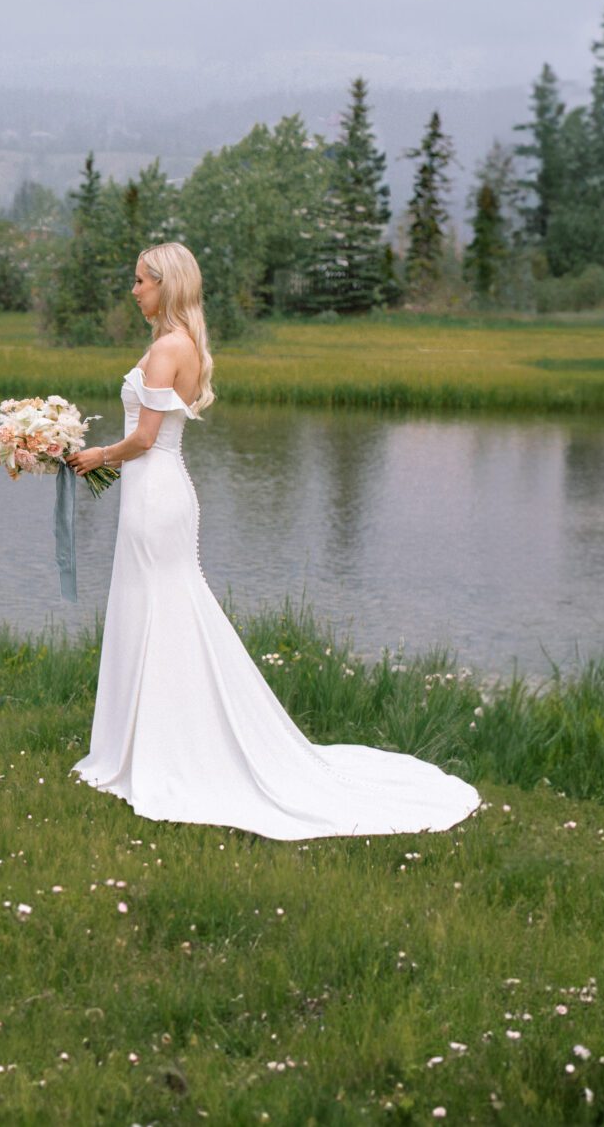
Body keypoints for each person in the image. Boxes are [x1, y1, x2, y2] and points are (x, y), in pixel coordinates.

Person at [67, 242, 479, 838]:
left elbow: (145, 437)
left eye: (140, 281)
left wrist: (96, 455)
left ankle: (165, 748)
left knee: (164, 608)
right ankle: (144, 742)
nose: (132, 291)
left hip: (154, 491)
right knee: (156, 606)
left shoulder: (166, 350)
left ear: (166, 285)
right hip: (153, 490)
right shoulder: (181, 344)